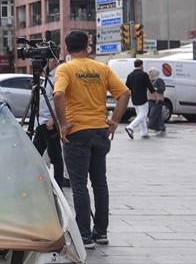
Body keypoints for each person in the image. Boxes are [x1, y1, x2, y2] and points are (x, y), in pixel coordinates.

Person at [53, 30, 130, 249]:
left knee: (79, 185)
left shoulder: (65, 68)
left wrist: (63, 124)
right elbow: (124, 94)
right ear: (88, 46)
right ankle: (101, 232)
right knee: (100, 183)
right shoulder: (102, 68)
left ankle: (85, 236)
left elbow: (58, 95)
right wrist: (114, 120)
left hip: (77, 133)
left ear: (67, 48)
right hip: (99, 131)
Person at [32, 54, 67, 188]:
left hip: (49, 123)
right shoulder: (47, 77)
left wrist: (54, 119)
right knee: (34, 153)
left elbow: (62, 99)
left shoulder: (58, 77)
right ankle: (36, 182)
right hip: (42, 122)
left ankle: (58, 186)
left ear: (52, 59)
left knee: (56, 157)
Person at [123, 59, 152, 140]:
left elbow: (126, 87)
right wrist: (154, 93)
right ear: (141, 65)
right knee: (143, 116)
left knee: (140, 115)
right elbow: (149, 86)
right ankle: (130, 127)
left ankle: (144, 133)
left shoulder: (130, 75)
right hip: (143, 98)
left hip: (134, 98)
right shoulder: (144, 74)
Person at [146, 67, 167, 136]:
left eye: (151, 72)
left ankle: (149, 127)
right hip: (150, 100)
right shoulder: (150, 80)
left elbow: (163, 89)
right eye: (149, 72)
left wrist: (155, 89)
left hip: (157, 101)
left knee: (153, 115)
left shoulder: (159, 80)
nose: (149, 73)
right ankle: (161, 128)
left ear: (155, 72)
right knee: (157, 115)